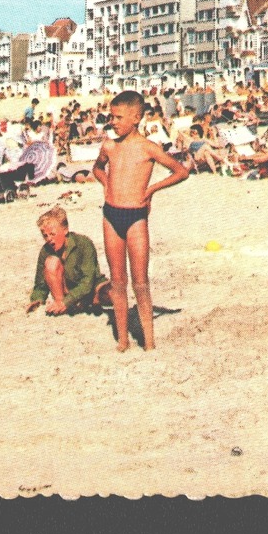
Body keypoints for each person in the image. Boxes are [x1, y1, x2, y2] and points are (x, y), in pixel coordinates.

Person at [94, 90, 190, 351]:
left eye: (118, 117)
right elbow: (97, 168)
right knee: (118, 282)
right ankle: (123, 339)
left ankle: (149, 341)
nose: (113, 122)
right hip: (111, 215)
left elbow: (181, 172)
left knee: (140, 282)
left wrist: (151, 190)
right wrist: (106, 184)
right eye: (111, 117)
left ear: (136, 118)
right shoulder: (109, 146)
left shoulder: (148, 148)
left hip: (136, 217)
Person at [28, 206, 112, 315]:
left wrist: (68, 301)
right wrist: (37, 300)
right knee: (51, 263)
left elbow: (88, 282)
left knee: (111, 293)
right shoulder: (45, 251)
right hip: (65, 293)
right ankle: (64, 307)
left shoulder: (83, 243)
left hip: (91, 288)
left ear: (65, 230)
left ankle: (81, 304)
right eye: (45, 236)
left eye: (52, 234)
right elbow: (40, 285)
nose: (49, 239)